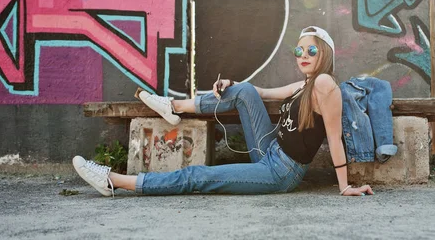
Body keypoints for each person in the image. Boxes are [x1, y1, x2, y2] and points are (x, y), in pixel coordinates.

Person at [72, 26, 374, 197]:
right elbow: (262, 93)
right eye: (298, 50)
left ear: (326, 54)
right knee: (243, 90)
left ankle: (116, 180)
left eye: (312, 50)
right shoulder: (306, 84)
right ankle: (174, 106)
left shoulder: (324, 84)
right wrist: (231, 84)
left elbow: (334, 138)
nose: (303, 56)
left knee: (198, 176)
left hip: (280, 171)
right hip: (268, 150)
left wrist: (344, 186)